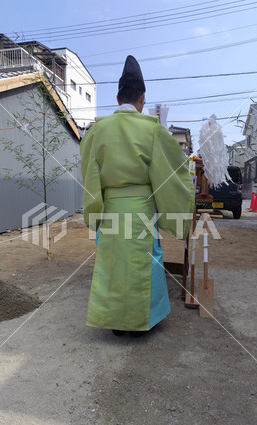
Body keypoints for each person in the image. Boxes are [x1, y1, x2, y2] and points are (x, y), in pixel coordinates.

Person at [80, 55, 195, 336]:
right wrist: (180, 206)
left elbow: (89, 175)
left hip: (110, 208)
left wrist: (93, 210)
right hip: (142, 207)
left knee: (112, 262)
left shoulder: (96, 131)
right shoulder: (152, 130)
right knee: (145, 260)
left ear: (118, 99)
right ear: (142, 98)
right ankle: (142, 322)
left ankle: (114, 321)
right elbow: (170, 173)